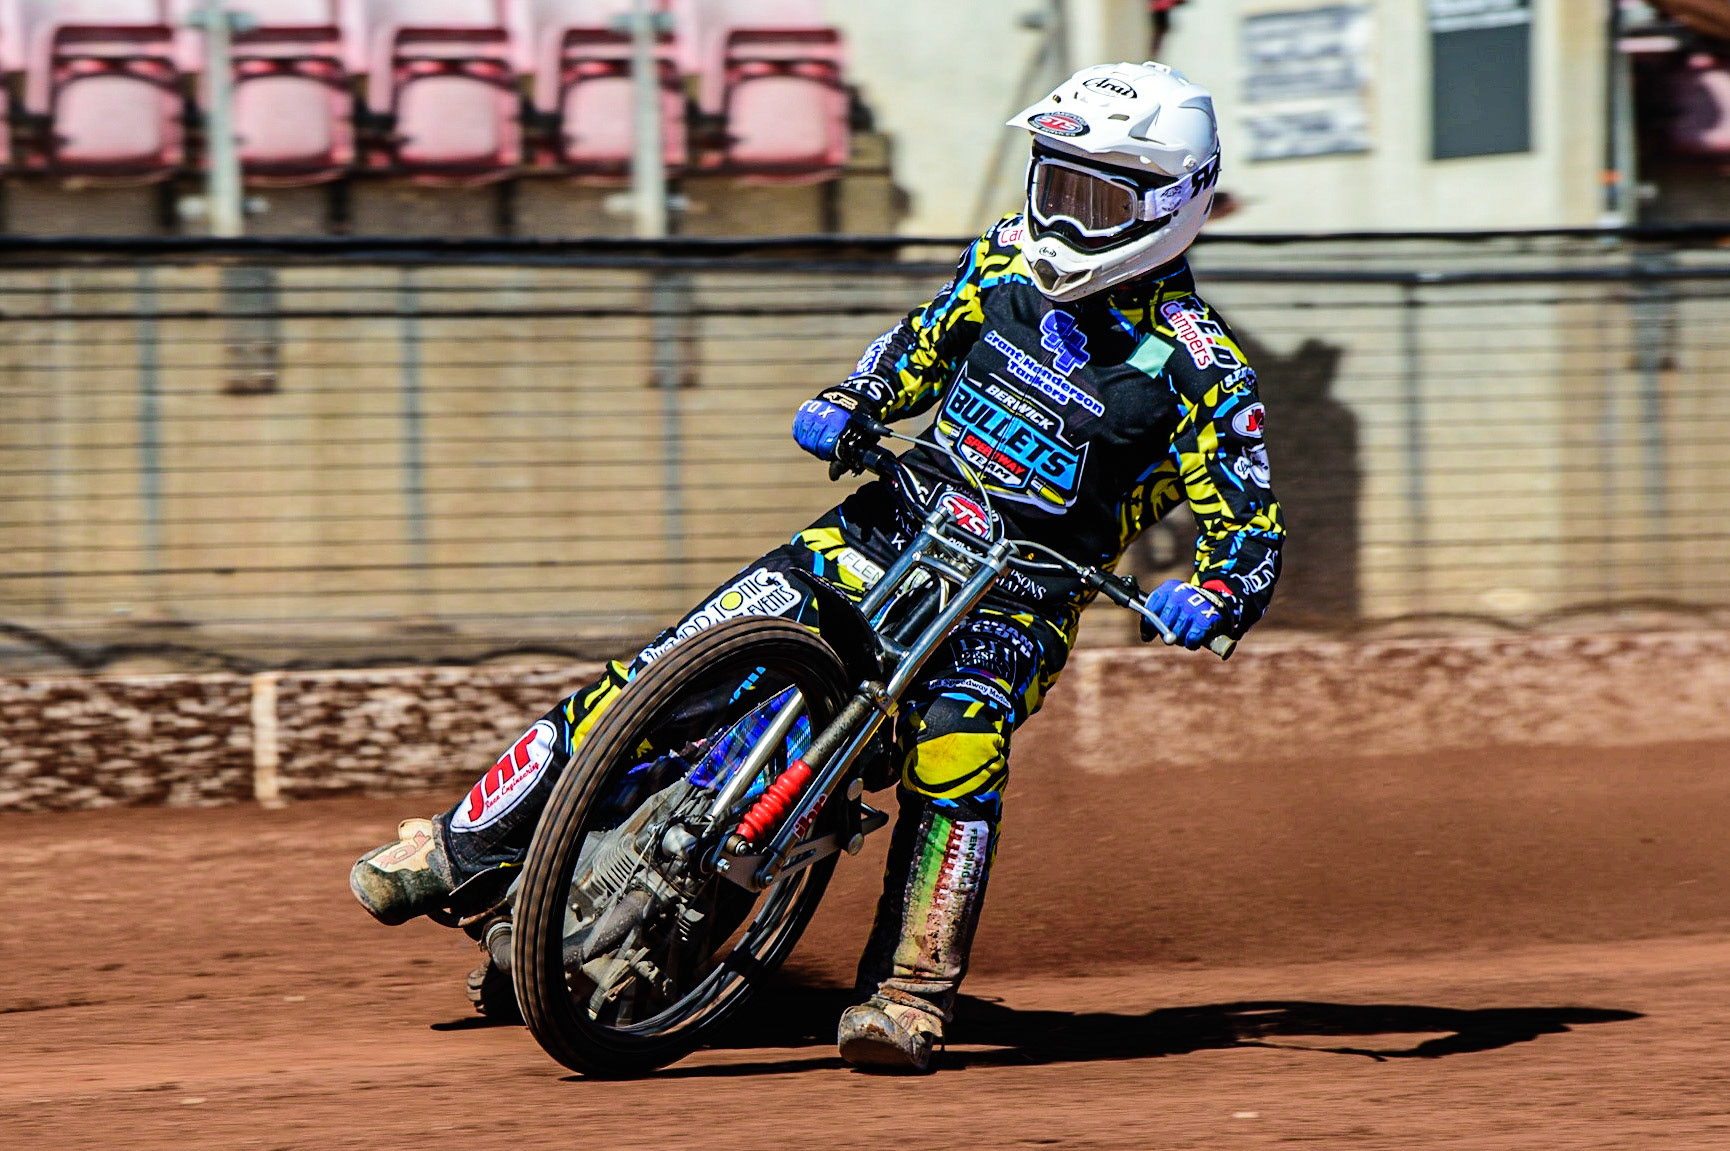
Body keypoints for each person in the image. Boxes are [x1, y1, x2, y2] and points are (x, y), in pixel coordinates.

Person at [349, 60, 1284, 1073]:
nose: (1059, 213)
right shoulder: (1004, 261)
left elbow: (1250, 526)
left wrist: (1214, 592)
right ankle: (454, 844)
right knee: (669, 664)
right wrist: (855, 397)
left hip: (1014, 597)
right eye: (1053, 180)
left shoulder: (1203, 369)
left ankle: (907, 993)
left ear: (1168, 204)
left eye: (1092, 196)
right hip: (881, 525)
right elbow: (915, 347)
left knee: (955, 758)